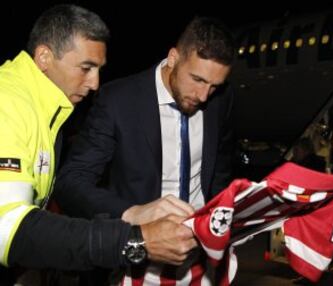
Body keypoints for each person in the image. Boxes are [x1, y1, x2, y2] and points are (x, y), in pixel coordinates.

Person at [0, 4, 197, 285]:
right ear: (44, 56)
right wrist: (136, 241)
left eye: (98, 70)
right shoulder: (7, 102)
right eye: (86, 68)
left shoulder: (45, 106)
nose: (95, 83)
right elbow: (6, 229)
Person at [54, 16, 236, 283]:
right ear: (173, 58)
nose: (203, 96)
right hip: (138, 262)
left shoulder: (222, 100)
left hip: (201, 261)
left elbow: (219, 175)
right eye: (197, 79)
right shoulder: (118, 100)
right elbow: (71, 182)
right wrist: (132, 213)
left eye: (214, 86)